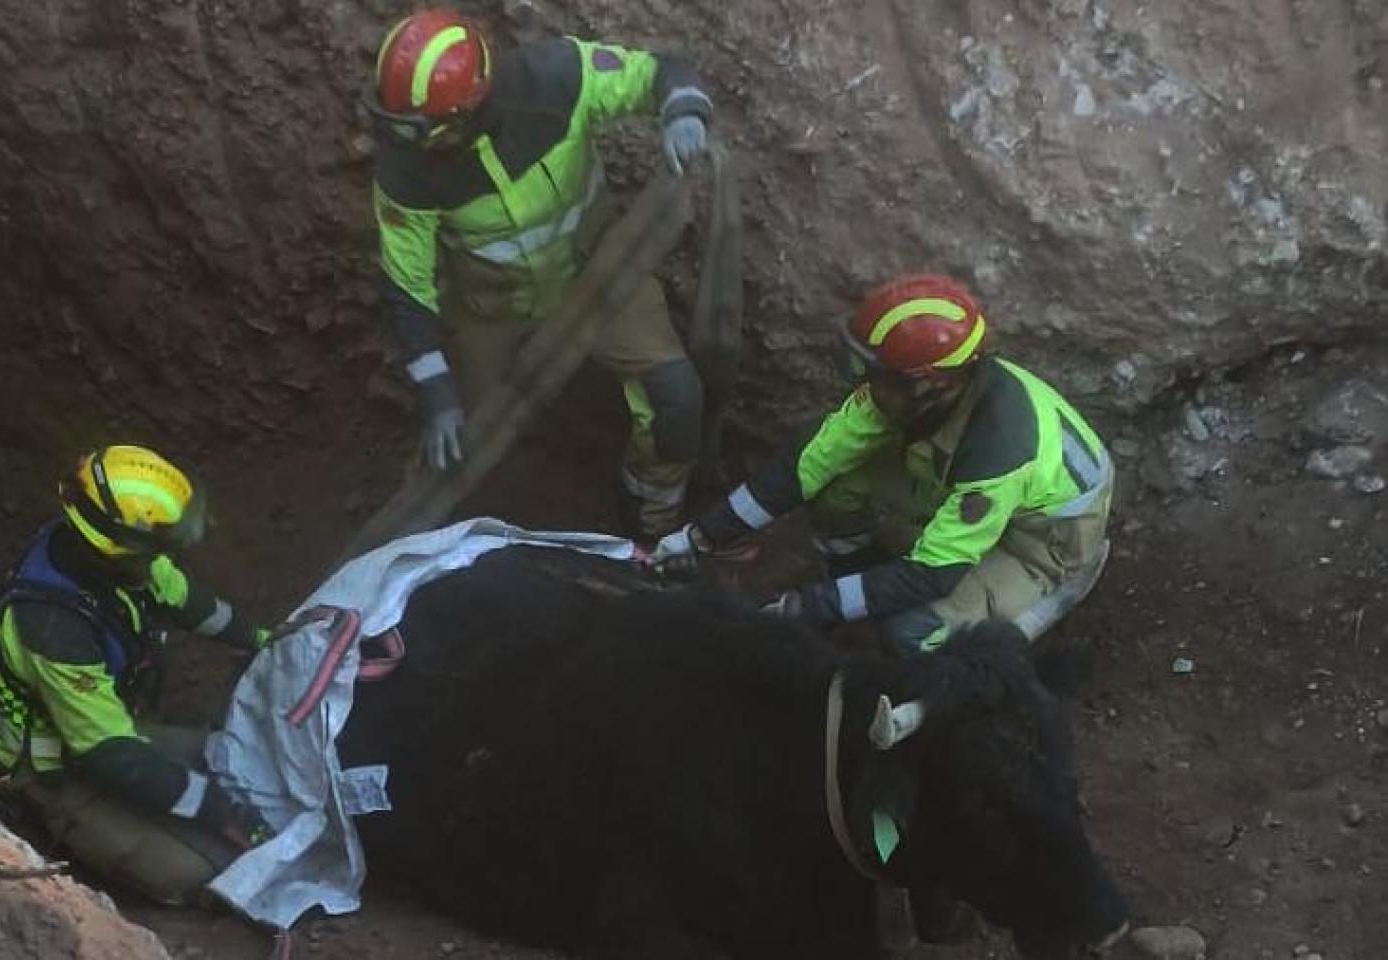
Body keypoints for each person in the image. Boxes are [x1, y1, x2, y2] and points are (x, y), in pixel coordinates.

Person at [368, 8, 714, 535]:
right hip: (492, 309)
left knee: (676, 399)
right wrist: (438, 397)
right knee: (455, 448)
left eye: (425, 132)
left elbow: (659, 72)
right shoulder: (405, 169)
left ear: (470, 108)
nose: (410, 146)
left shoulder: (559, 78)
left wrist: (682, 111)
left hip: (600, 279)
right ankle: (426, 546)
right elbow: (406, 285)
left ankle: (648, 516)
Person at [652, 275, 1114, 653]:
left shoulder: (998, 451)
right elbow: (808, 464)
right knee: (835, 488)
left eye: (878, 378)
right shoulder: (907, 397)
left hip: (1042, 543)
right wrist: (701, 536)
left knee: (910, 632)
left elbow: (936, 572)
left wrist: (811, 607)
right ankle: (861, 580)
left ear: (930, 386)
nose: (866, 389)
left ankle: (1044, 599)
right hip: (983, 502)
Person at [0, 445, 272, 905]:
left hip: (106, 727)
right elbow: (109, 755)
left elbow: (190, 603)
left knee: (233, 754)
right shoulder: (53, 626)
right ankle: (34, 814)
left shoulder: (116, 559)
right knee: (201, 871)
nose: (162, 562)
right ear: (115, 551)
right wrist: (215, 808)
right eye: (157, 550)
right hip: (51, 766)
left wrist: (263, 640)